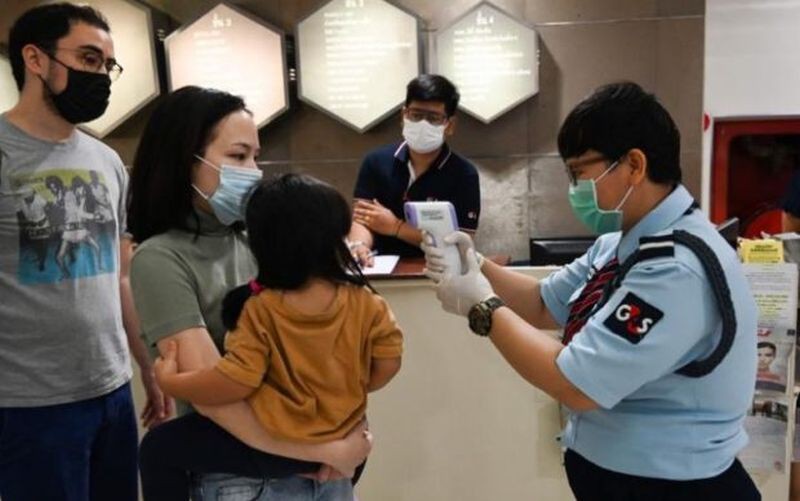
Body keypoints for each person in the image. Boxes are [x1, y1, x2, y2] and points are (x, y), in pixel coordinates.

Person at [422, 82, 760, 500]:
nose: (575, 188)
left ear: (634, 165)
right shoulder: (621, 243)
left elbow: (576, 384)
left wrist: (483, 307)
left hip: (675, 488)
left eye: (580, 172)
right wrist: (475, 264)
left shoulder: (675, 270)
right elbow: (543, 304)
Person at [128, 86, 374, 500]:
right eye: (238, 156)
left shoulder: (256, 238)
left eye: (256, 157)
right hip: (249, 478)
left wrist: (352, 432)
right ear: (186, 159)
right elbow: (214, 396)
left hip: (324, 471)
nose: (254, 172)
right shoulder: (160, 259)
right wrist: (326, 450)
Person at [0, 3, 169, 500]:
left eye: (107, 66)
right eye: (88, 59)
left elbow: (121, 275)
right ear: (35, 59)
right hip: (28, 405)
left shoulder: (107, 160)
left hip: (110, 391)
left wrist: (147, 366)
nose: (100, 77)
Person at [147, 173, 403, 500]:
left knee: (157, 448)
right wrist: (345, 385)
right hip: (345, 434)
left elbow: (235, 382)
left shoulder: (260, 310)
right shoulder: (368, 303)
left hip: (277, 442)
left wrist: (172, 383)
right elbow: (388, 364)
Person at [348, 74, 480, 265]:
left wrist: (396, 227)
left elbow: (462, 242)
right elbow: (362, 219)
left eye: (433, 118)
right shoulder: (375, 161)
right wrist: (359, 245)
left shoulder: (464, 173)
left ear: (449, 125)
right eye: (416, 115)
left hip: (439, 271)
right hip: (379, 268)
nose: (423, 124)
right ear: (404, 116)